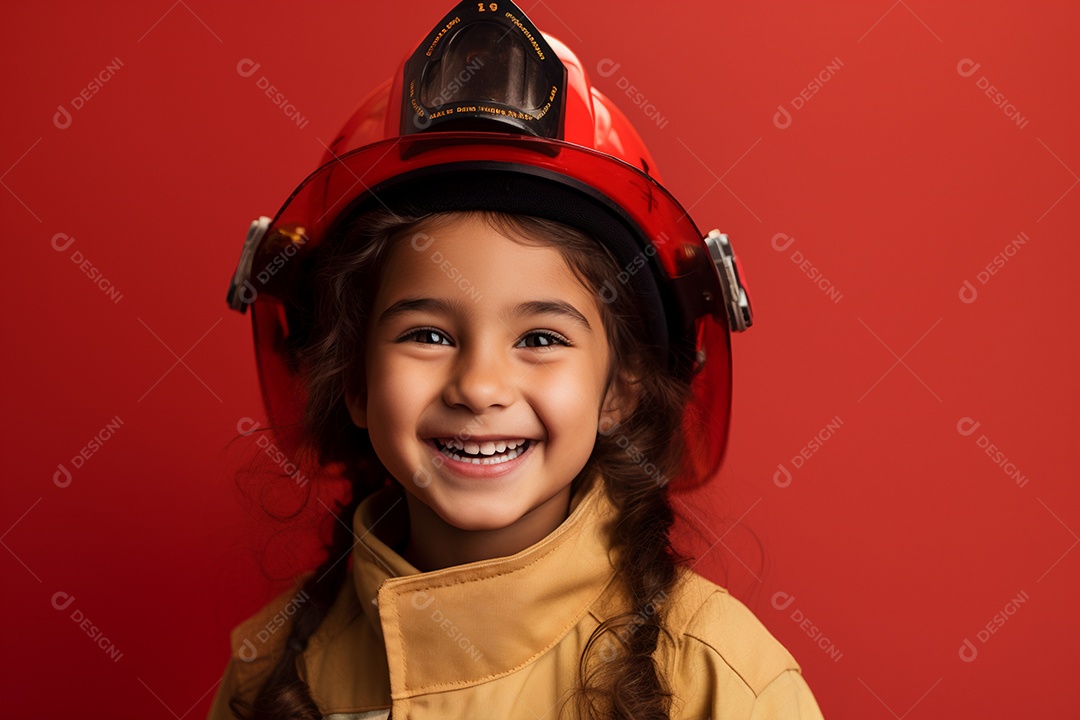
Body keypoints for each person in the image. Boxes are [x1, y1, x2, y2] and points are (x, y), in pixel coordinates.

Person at [211, 1, 825, 718]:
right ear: (351, 377)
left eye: (540, 339)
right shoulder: (271, 672)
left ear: (620, 388)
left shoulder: (722, 684)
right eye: (428, 335)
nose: (478, 386)